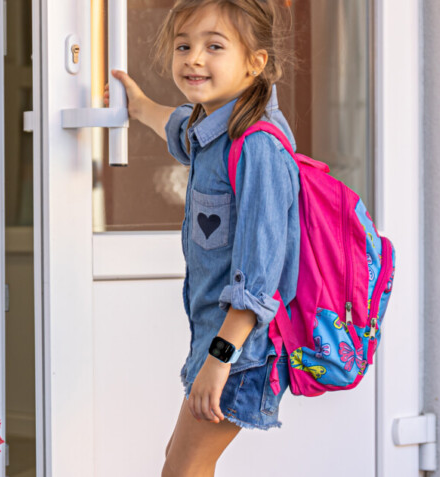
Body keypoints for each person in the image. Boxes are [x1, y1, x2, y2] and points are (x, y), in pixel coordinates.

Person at [105, 0, 298, 475]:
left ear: (256, 63)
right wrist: (137, 105)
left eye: (214, 47)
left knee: (184, 468)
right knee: (182, 462)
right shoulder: (210, 130)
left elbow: (258, 274)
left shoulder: (257, 146)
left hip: (240, 349)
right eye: (184, 46)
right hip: (217, 342)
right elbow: (175, 126)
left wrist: (219, 358)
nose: (194, 58)